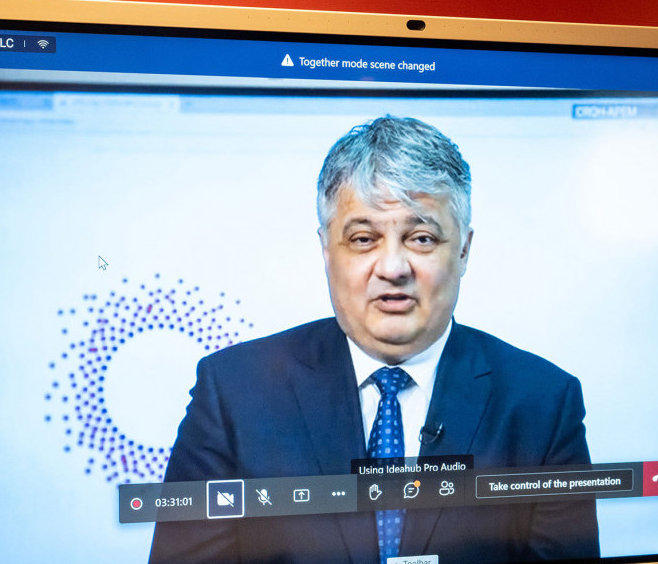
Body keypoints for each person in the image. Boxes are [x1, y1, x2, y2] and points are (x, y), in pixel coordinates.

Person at [149, 116, 599, 564]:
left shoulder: (543, 404)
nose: (393, 268)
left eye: (421, 238)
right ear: (327, 250)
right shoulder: (233, 393)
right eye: (364, 239)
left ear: (463, 250)